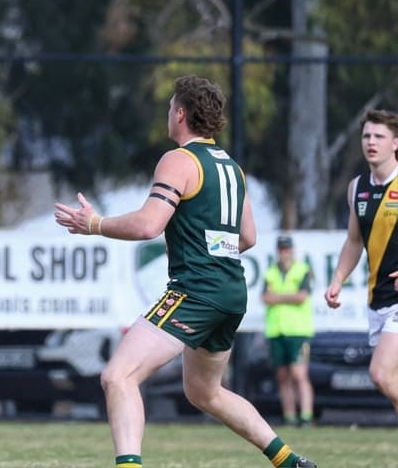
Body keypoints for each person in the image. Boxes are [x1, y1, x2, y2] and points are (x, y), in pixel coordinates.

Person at [54, 75, 315, 468]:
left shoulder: (179, 160)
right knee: (204, 392)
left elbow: (148, 225)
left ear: (180, 113)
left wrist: (94, 224)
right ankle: (289, 461)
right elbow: (247, 237)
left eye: (169, 108)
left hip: (197, 290)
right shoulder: (232, 168)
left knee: (118, 376)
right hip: (231, 293)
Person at [323, 108, 398, 417]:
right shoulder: (357, 188)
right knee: (392, 382)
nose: (371, 141)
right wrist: (338, 278)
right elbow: (354, 241)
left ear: (396, 143)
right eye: (367, 135)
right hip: (377, 298)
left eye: (379, 136)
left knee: (380, 374)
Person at [262, 234, 315, 426]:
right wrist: (288, 297)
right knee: (283, 376)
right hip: (276, 330)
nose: (284, 253)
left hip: (298, 331)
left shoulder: (303, 270)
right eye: (281, 249)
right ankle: (290, 416)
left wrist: (277, 297)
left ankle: (307, 416)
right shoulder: (270, 271)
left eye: (287, 249)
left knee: (299, 374)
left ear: (292, 250)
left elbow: (302, 296)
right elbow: (265, 298)